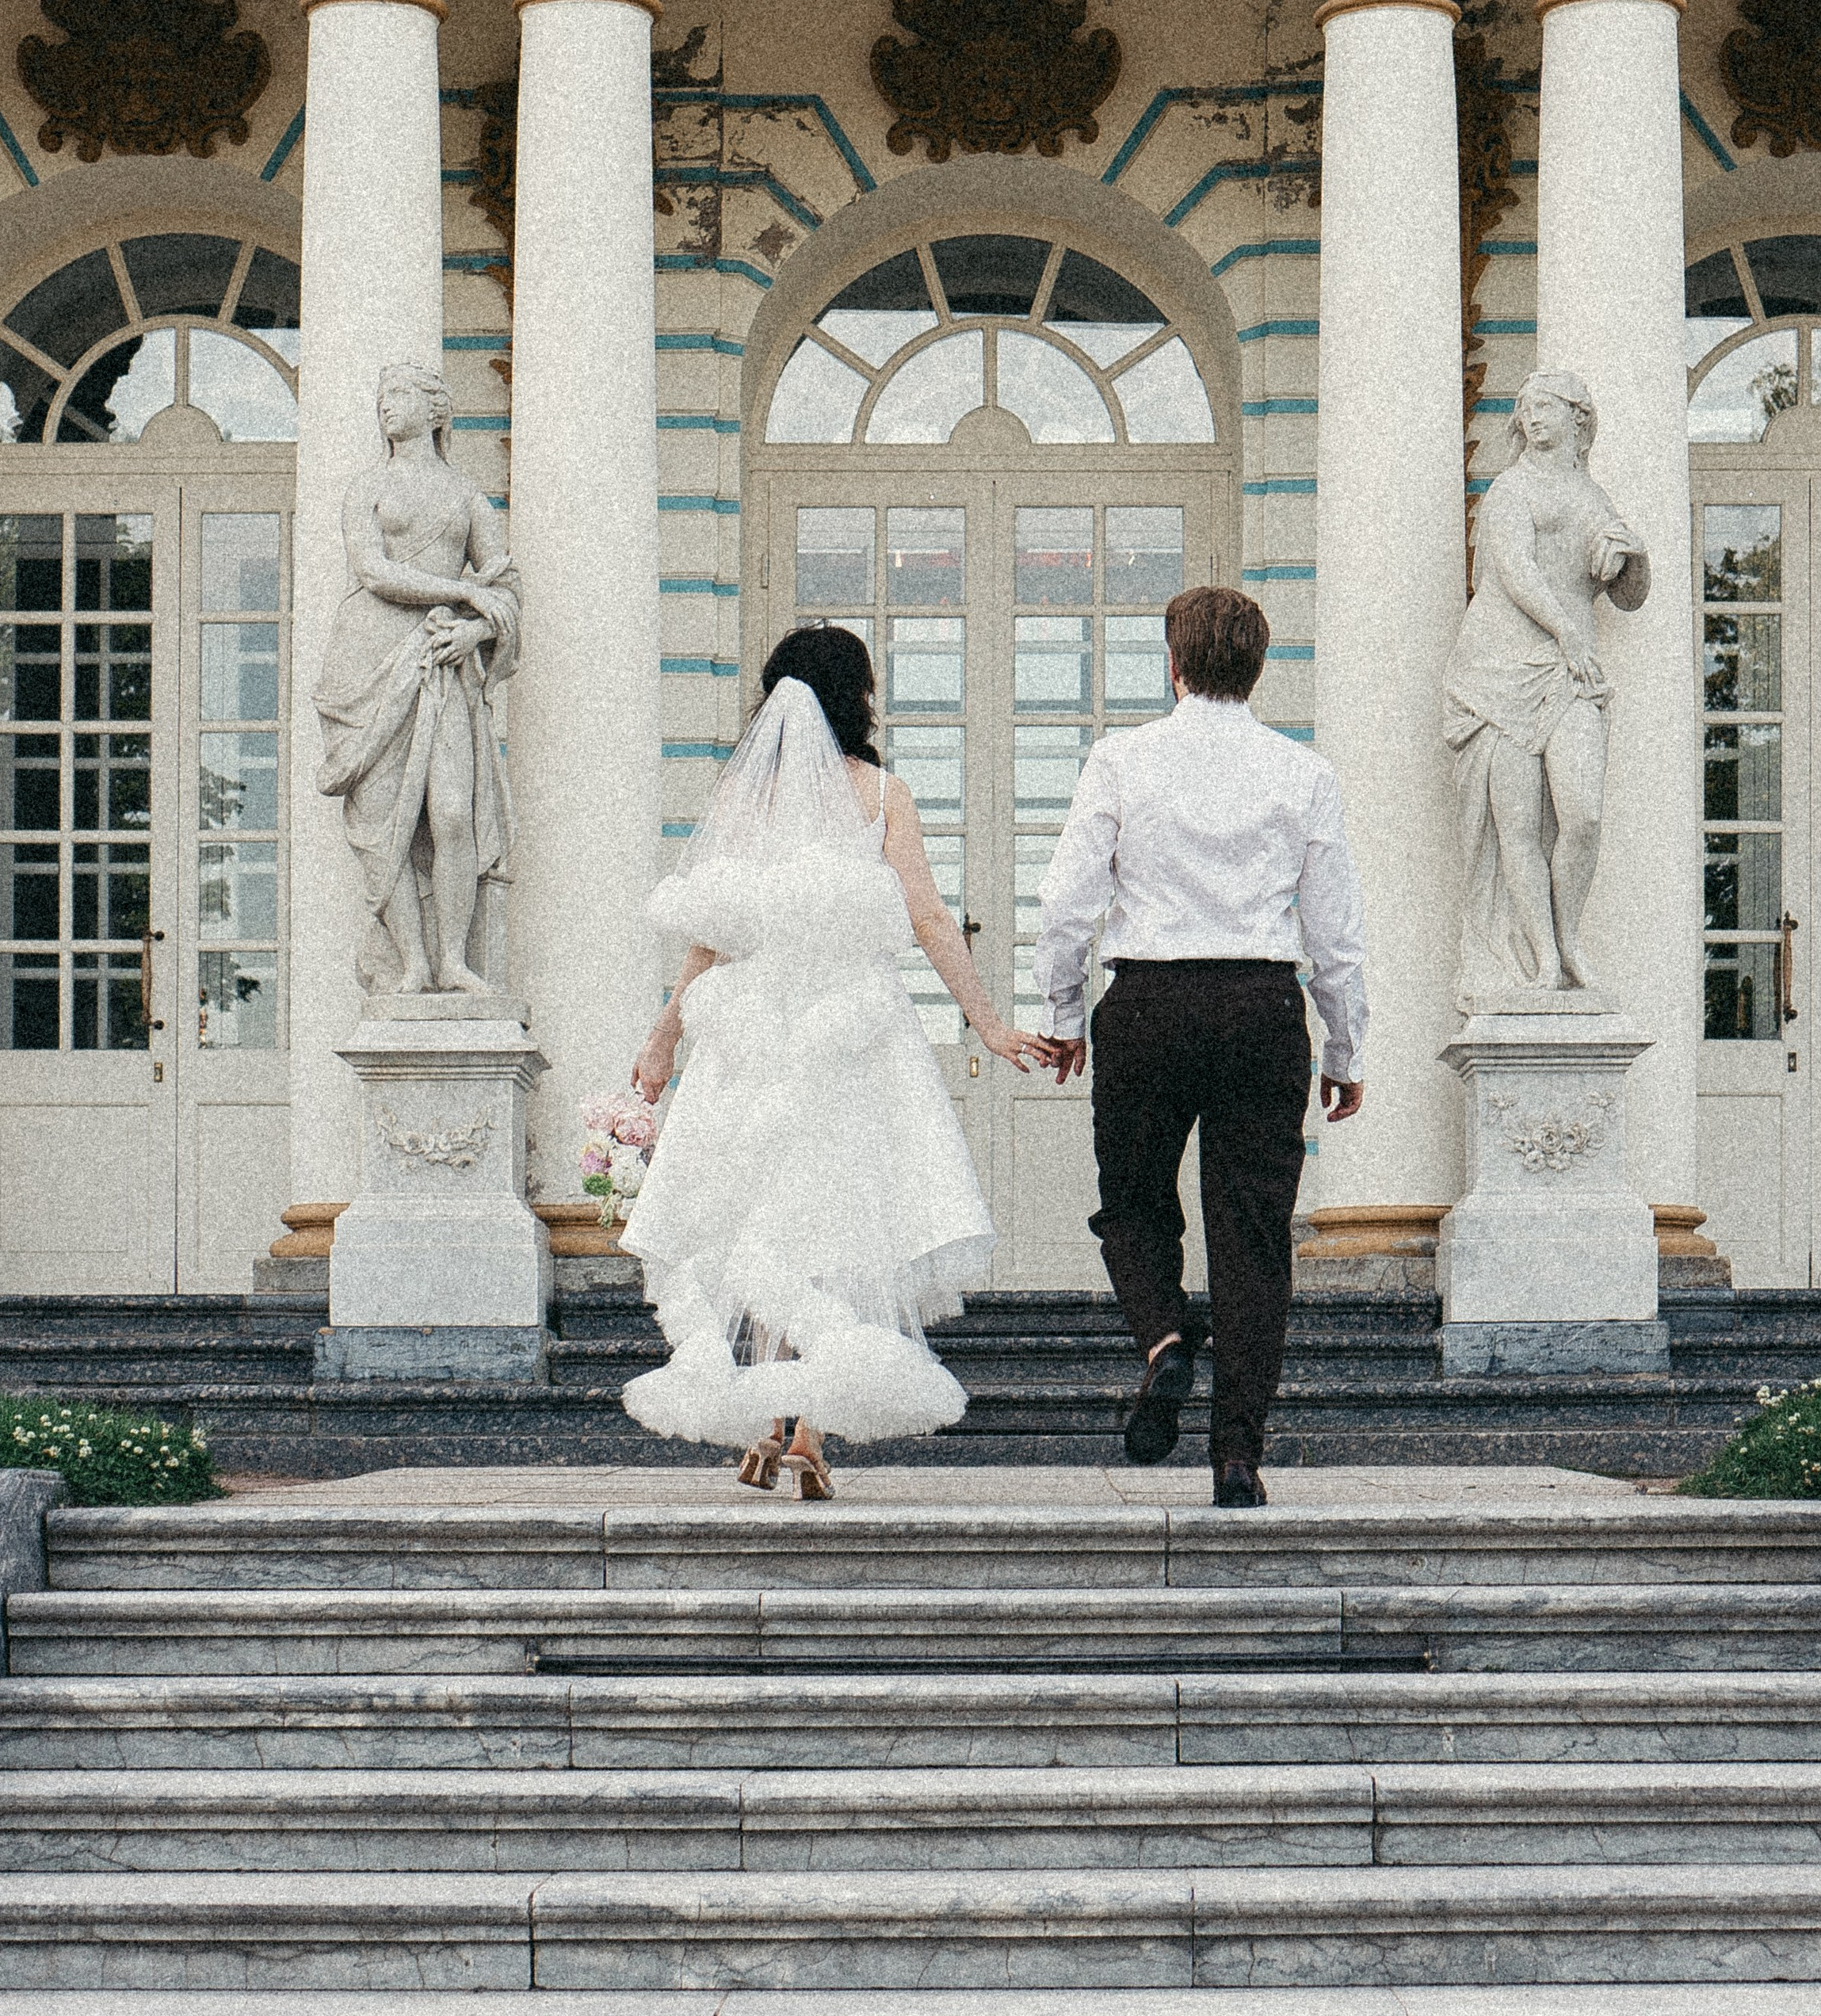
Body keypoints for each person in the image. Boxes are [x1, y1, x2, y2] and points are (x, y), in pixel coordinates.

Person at [621, 623, 1047, 1495]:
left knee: (759, 1222)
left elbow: (712, 935)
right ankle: (808, 1429)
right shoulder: (882, 796)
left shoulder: (742, 800)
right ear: (856, 698)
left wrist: (666, 1037)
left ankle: (769, 1424)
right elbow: (928, 920)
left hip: (752, 1039)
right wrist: (987, 1024)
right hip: (851, 1038)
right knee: (838, 1223)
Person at [1034, 585, 1367, 1501]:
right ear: (1257, 670)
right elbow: (1335, 933)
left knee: (1132, 1202)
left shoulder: (1120, 761)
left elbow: (1065, 905)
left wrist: (1065, 1017)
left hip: (1149, 1000)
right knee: (1252, 1236)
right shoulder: (1303, 773)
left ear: (1172, 665)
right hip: (1262, 1006)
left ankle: (1164, 1341)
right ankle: (1237, 1456)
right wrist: (1344, 1048)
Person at [313, 362, 521, 998]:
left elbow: (507, 589)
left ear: (436, 411)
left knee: (453, 812)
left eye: (399, 395)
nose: (386, 406)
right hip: (367, 660)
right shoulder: (365, 488)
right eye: (381, 397)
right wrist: (463, 593)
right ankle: (413, 964)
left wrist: (475, 632)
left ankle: (455, 960)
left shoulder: (466, 495)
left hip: (439, 660)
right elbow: (373, 572)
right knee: (384, 826)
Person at [1443, 368, 1647, 1010]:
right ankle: (1544, 961)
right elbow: (1515, 572)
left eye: (1546, 407)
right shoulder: (1511, 490)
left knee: (1582, 813)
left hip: (1569, 672)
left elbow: (1630, 598)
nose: (1532, 418)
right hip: (1501, 670)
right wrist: (1569, 633)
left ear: (1579, 420)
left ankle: (1569, 936)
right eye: (1525, 408)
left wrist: (1635, 556)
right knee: (1518, 829)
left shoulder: (1594, 498)